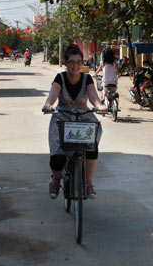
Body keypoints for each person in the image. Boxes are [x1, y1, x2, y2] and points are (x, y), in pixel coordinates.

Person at [42, 45, 107, 199]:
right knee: (57, 159)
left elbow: (93, 96)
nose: (75, 65)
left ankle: (88, 182)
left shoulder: (87, 78)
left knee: (91, 148)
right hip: (62, 117)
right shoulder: (60, 78)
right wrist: (48, 105)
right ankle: (56, 180)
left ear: (82, 63)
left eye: (78, 62)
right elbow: (52, 95)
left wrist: (100, 106)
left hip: (83, 117)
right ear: (65, 63)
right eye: (71, 62)